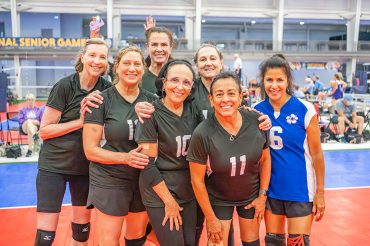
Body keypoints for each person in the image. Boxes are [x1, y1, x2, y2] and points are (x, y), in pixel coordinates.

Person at [35, 38, 111, 246]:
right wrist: (80, 122)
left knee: (81, 231)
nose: (97, 61)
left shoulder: (107, 89)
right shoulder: (65, 86)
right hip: (54, 166)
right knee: (45, 235)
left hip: (86, 167)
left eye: (102, 57)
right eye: (92, 55)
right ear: (82, 57)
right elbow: (45, 130)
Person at [82, 46, 157, 245]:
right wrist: (125, 158)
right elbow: (90, 150)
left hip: (142, 179)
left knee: (136, 238)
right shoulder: (100, 100)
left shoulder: (153, 101)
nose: (132, 68)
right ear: (116, 68)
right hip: (109, 178)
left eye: (137, 64)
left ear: (143, 69)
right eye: (126, 63)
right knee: (109, 240)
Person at [187, 72, 271, 246]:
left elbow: (265, 160)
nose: (225, 99)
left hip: (251, 197)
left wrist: (262, 196)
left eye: (231, 93)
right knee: (216, 243)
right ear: (211, 99)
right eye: (219, 94)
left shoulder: (258, 121)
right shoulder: (202, 133)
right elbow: (197, 180)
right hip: (219, 199)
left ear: (240, 97)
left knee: (252, 243)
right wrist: (210, 218)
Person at [254, 54, 325, 246]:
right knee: (273, 243)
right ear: (263, 82)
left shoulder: (305, 109)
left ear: (288, 82)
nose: (274, 85)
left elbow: (317, 155)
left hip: (300, 190)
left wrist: (320, 192)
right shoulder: (256, 111)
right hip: (271, 190)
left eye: (279, 80)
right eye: (269, 80)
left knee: (298, 243)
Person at [135, 60, 202, 245]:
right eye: (174, 80)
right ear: (163, 82)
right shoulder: (151, 113)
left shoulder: (193, 110)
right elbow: (147, 165)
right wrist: (169, 202)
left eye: (186, 82)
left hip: (187, 189)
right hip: (160, 189)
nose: (180, 87)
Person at [141, 26, 174, 93]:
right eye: (154, 44)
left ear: (170, 47)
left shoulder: (179, 77)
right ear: (147, 47)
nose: (159, 49)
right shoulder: (139, 78)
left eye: (164, 45)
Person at [18, 93, 41, 157]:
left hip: (34, 128)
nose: (30, 101)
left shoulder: (38, 110)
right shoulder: (22, 110)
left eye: (32, 99)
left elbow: (40, 122)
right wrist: (32, 121)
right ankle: (36, 137)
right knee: (28, 122)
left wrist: (32, 122)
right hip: (24, 128)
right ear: (26, 101)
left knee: (29, 128)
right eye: (29, 99)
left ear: (34, 100)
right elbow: (21, 121)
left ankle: (30, 150)